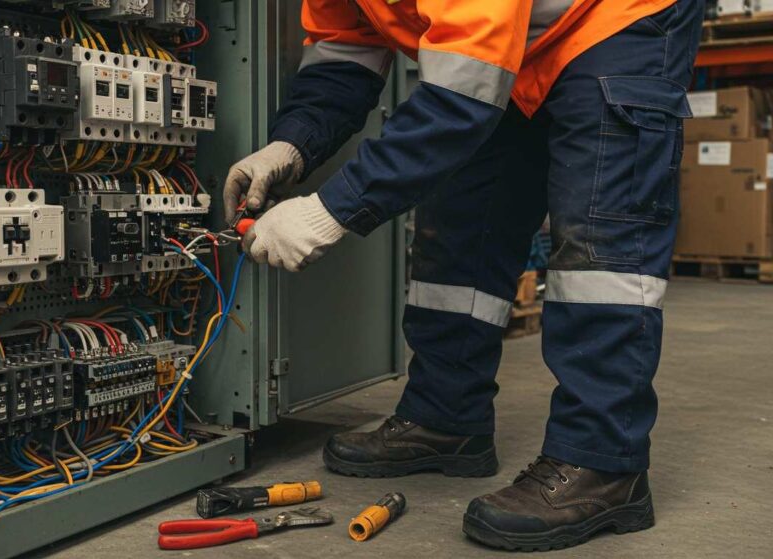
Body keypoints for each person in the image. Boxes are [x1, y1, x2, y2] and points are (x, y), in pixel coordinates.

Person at [223, 0, 703, 551]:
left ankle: (602, 462)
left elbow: (460, 100)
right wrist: (290, 145)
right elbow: (345, 53)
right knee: (463, 221)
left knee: (600, 240)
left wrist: (327, 212)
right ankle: (445, 419)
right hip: (506, 40)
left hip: (616, 20)